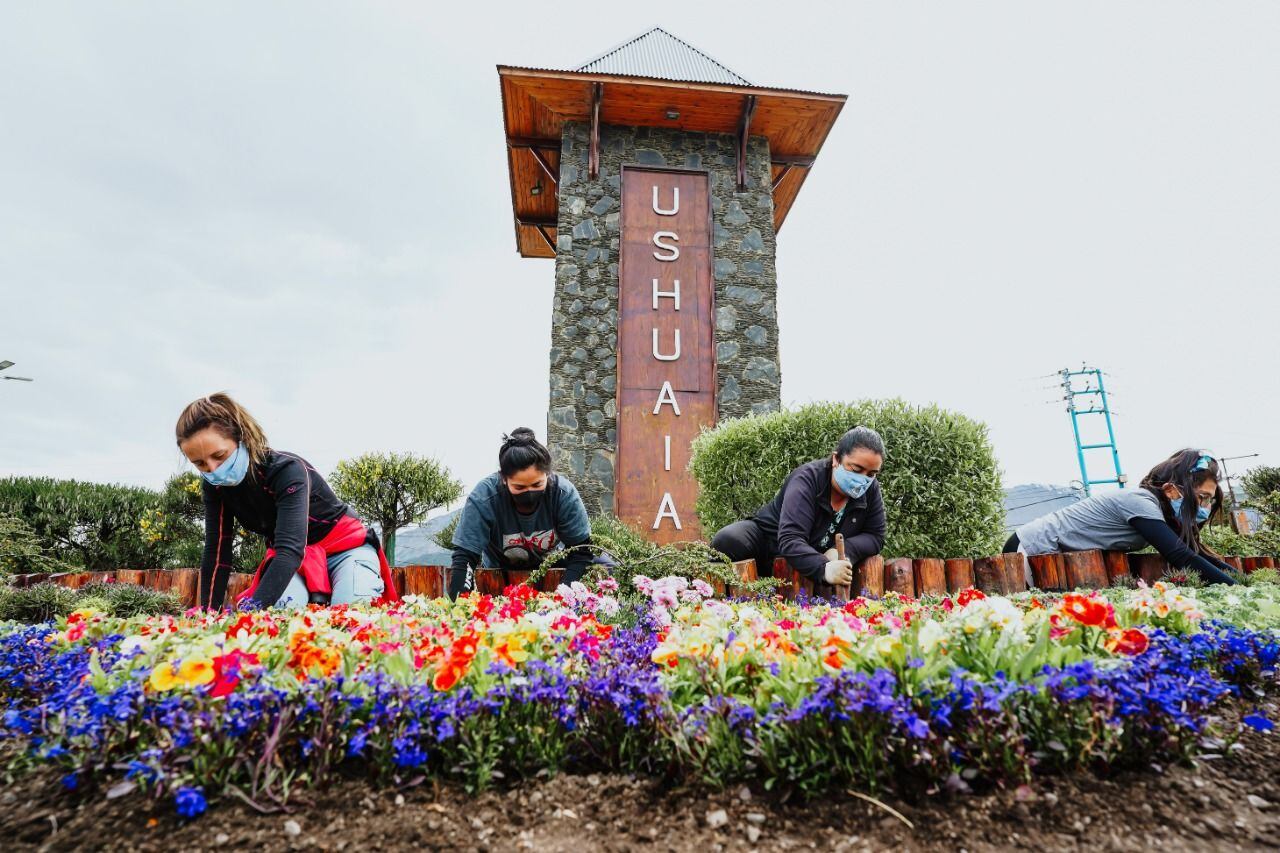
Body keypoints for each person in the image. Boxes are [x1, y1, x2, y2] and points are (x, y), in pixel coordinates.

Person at [176, 393, 400, 609]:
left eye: (219, 456)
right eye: (200, 464)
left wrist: (253, 611)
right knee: (283, 610)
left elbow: (290, 548)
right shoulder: (214, 487)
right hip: (294, 563)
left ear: (241, 438)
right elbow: (216, 553)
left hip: (345, 548)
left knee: (353, 610)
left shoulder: (286, 470)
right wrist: (208, 615)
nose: (213, 469)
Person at [1005, 448, 1237, 585]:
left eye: (1209, 500)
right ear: (1171, 490)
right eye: (1201, 497)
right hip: (1030, 548)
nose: (1204, 506)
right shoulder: (1140, 502)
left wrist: (1246, 580)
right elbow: (1179, 555)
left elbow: (1194, 552)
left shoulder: (1159, 511)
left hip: (1053, 555)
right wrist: (1235, 587)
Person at [710, 426, 887, 589]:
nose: (863, 479)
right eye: (856, 469)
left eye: (871, 474)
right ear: (836, 459)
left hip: (812, 555)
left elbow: (875, 536)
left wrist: (841, 550)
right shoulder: (807, 479)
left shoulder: (870, 488)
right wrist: (824, 568)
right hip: (772, 544)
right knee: (729, 540)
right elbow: (790, 538)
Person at [448, 428, 595, 599]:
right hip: (498, 576)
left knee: (606, 566)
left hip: (552, 571)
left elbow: (581, 551)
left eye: (537, 484)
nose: (529, 493)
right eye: (519, 487)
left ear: (548, 474)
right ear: (503, 479)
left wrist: (564, 596)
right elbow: (465, 556)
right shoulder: (484, 497)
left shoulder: (563, 494)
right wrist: (459, 602)